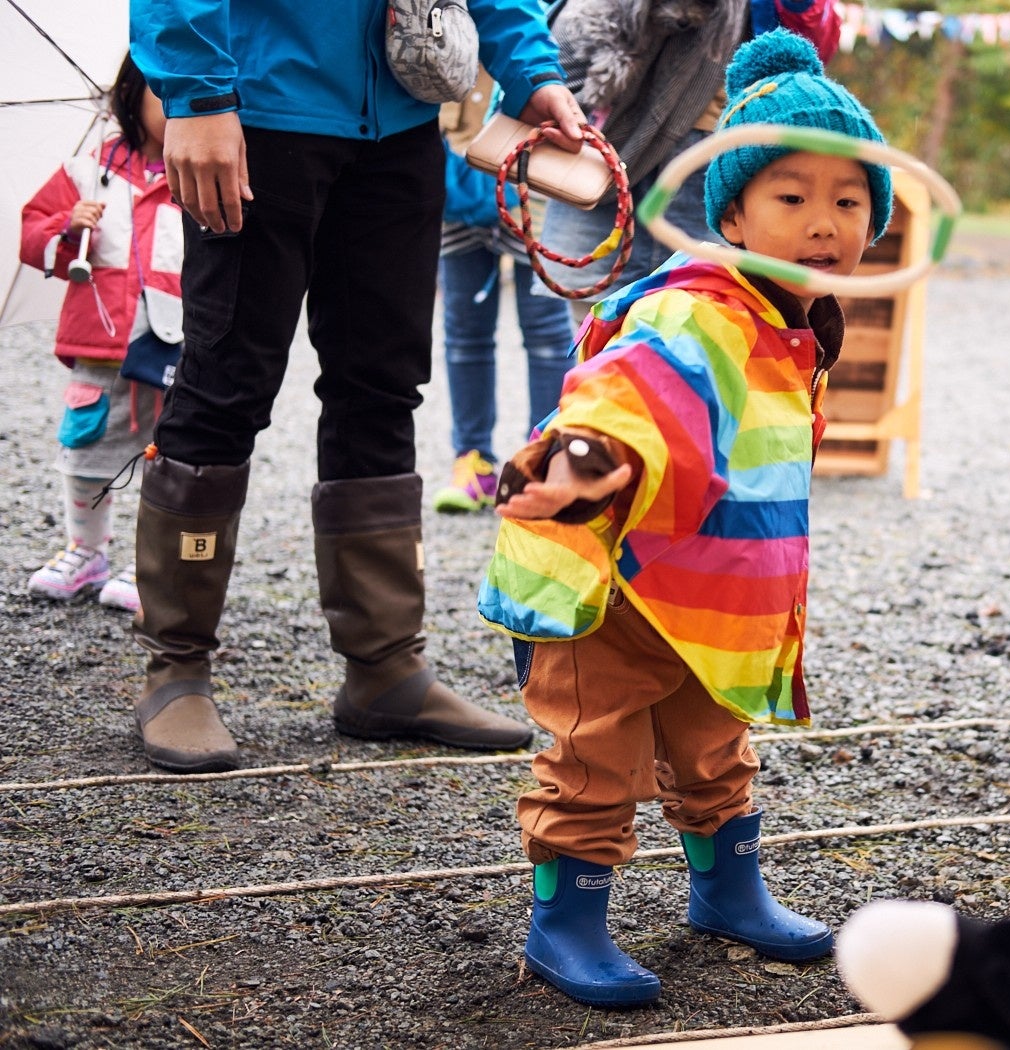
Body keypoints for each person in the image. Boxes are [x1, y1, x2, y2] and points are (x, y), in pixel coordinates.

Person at [475, 29, 893, 1005]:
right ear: (734, 217)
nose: (824, 221)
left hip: (706, 593)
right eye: (792, 198)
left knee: (713, 745)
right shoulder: (697, 306)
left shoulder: (792, 318)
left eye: (847, 200)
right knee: (593, 755)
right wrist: (587, 462)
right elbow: (628, 391)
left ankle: (727, 890)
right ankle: (564, 926)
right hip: (618, 585)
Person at [126, 0, 588, 774]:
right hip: (255, 111)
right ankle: (175, 669)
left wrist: (531, 70)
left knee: (383, 384)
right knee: (223, 384)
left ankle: (384, 667)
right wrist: (198, 96)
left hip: (400, 122)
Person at [536, 0, 841, 321]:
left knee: (708, 316)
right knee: (596, 317)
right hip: (616, 129)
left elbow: (813, 42)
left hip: (716, 149)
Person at [20, 55, 177, 617]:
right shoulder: (87, 173)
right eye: (165, 91)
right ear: (131, 95)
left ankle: (150, 562)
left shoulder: (197, 172)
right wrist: (66, 229)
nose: (177, 104)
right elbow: (32, 233)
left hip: (170, 348)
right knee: (85, 453)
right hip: (101, 343)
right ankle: (87, 551)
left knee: (170, 458)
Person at [432, 79, 578, 514]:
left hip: (536, 177)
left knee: (549, 333)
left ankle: (544, 462)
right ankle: (472, 461)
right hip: (456, 168)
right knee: (463, 332)